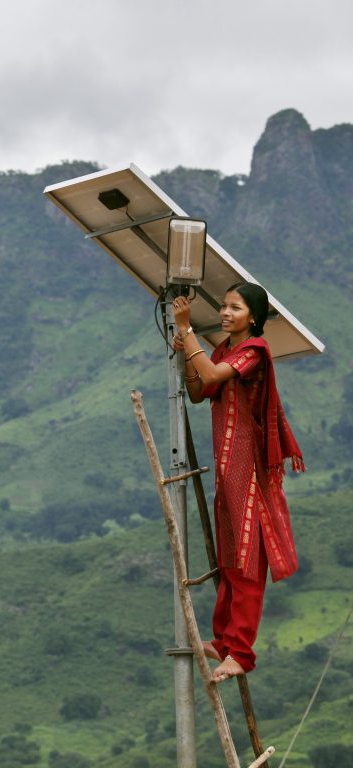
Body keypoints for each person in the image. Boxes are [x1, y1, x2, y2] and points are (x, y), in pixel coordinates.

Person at [171, 282, 304, 683]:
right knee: (229, 556)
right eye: (225, 306)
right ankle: (226, 641)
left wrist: (187, 329)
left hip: (250, 468)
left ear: (254, 317)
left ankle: (241, 653)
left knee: (247, 560)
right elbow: (200, 389)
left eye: (235, 308)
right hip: (229, 465)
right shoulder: (224, 350)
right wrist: (184, 356)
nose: (226, 313)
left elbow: (210, 374)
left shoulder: (254, 352)